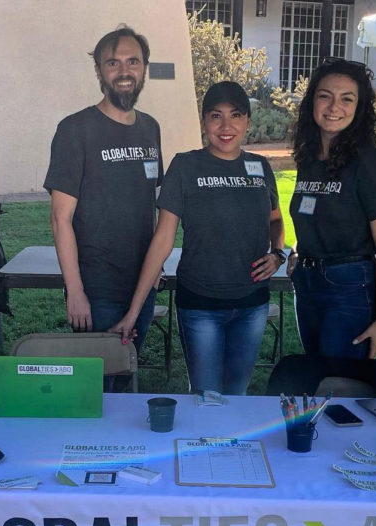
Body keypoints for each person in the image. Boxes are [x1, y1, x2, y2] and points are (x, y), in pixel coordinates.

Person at [112, 81, 284, 395]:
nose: (226, 126)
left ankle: (232, 446)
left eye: (236, 115)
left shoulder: (259, 167)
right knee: (206, 398)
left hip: (252, 305)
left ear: (247, 120)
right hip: (200, 306)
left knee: (238, 394)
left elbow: (275, 219)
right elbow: (163, 240)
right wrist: (133, 311)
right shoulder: (185, 166)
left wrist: (278, 253)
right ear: (204, 121)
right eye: (216, 116)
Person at [43, 25, 162, 361]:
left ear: (143, 69)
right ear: (98, 70)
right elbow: (59, 219)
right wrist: (76, 292)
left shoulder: (151, 128)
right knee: (98, 386)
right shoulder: (75, 130)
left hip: (142, 285)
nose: (124, 72)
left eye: (132, 62)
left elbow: (149, 205)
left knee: (127, 375)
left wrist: (153, 275)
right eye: (113, 63)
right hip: (97, 290)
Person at [287, 57, 376, 360]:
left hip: (349, 288)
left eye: (347, 99)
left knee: (341, 386)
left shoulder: (370, 163)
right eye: (325, 95)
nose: (334, 106)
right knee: (318, 379)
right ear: (312, 101)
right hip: (307, 284)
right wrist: (299, 248)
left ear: (359, 107)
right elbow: (313, 214)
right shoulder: (309, 159)